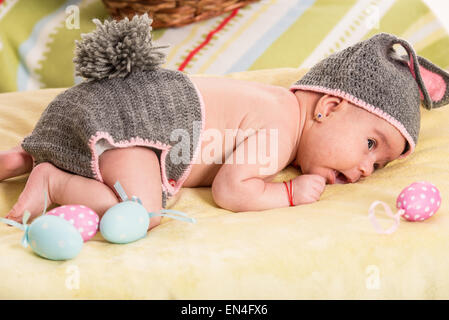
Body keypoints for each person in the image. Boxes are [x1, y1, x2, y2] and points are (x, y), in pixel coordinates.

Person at [2, 14, 448, 231]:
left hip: (89, 113)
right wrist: (287, 194)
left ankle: (26, 153)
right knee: (145, 214)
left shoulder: (269, 101)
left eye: (381, 166)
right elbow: (231, 190)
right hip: (130, 123)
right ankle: (51, 180)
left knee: (93, 148)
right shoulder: (278, 127)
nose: (368, 169)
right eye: (371, 144)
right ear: (328, 107)